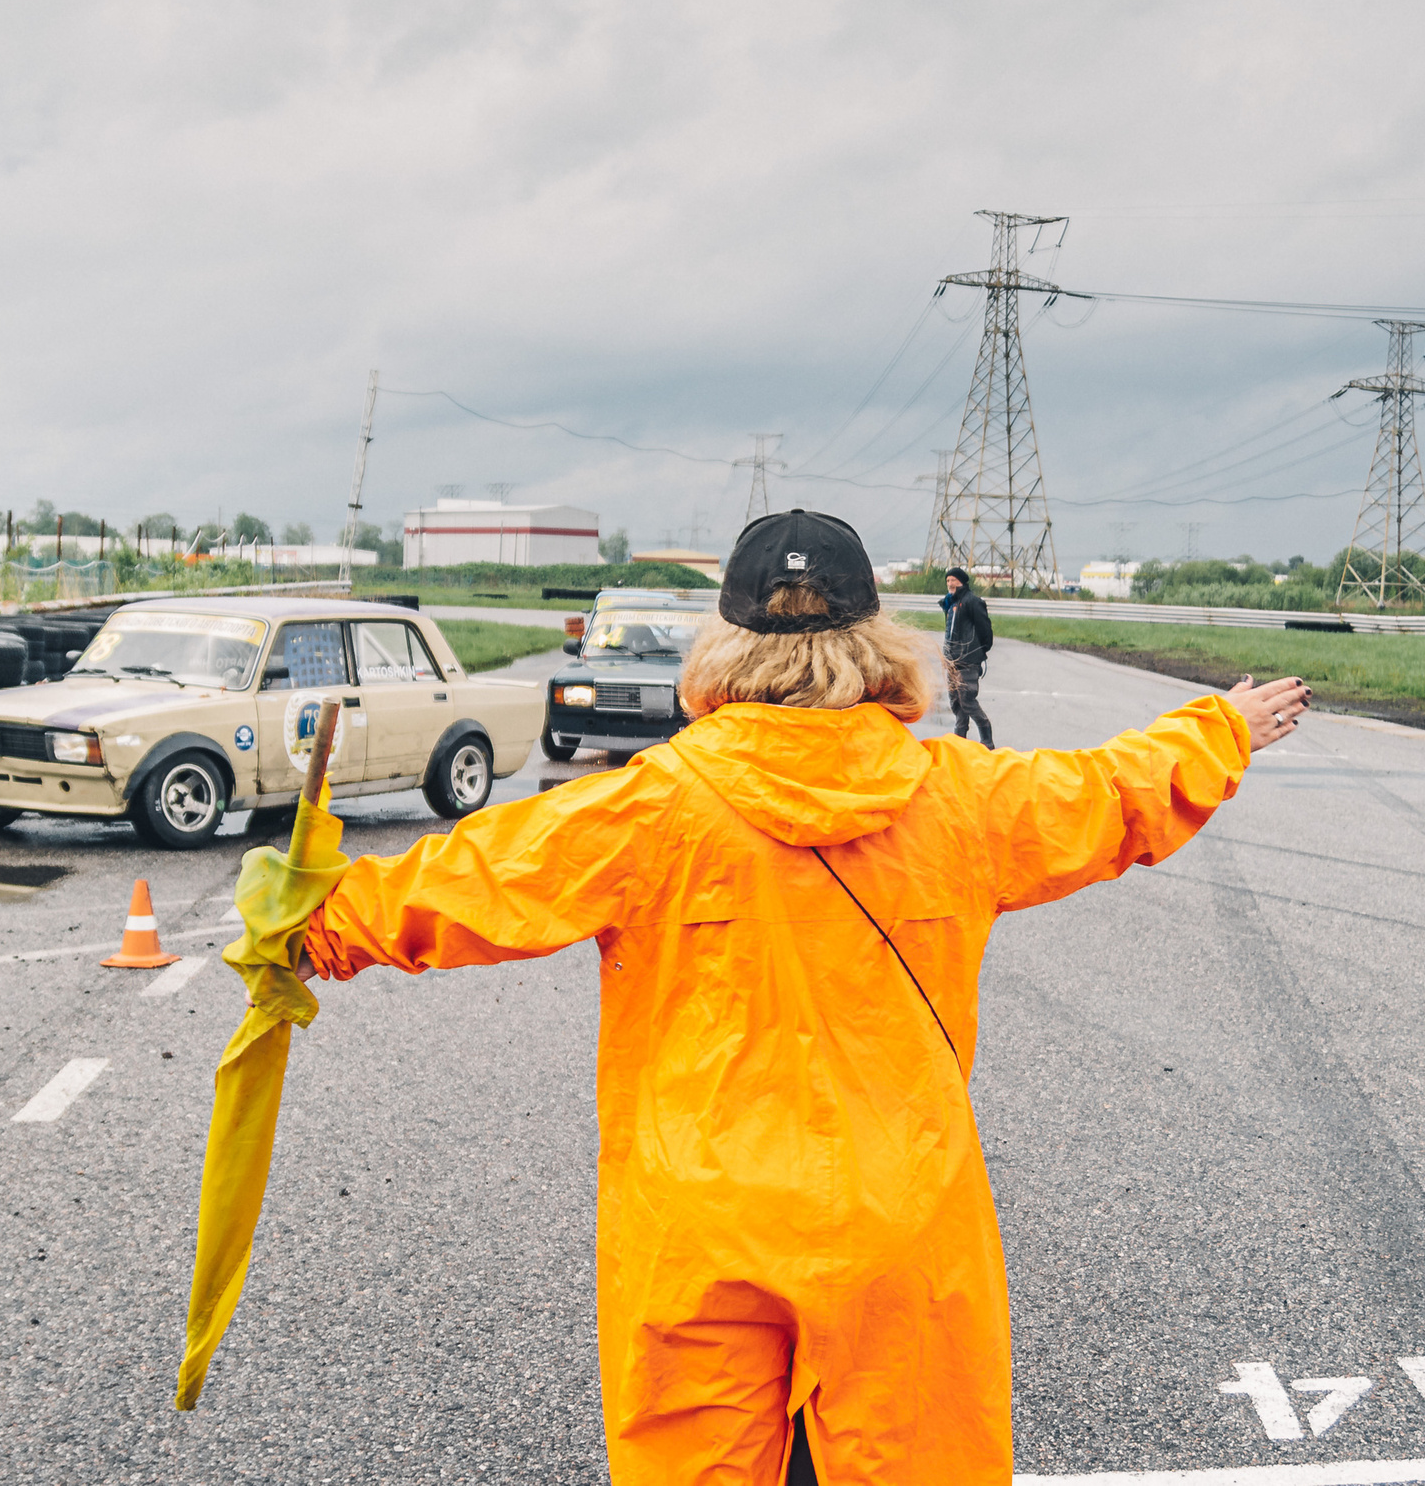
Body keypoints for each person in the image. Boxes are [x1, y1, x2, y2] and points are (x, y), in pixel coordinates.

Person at [283, 508, 1309, 1484]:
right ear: (877, 643)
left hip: (699, 1225)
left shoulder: (647, 809)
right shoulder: (962, 800)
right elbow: (1109, 792)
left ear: (723, 649)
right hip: (902, 1223)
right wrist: (1218, 727)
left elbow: (461, 883)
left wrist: (304, 929)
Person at [941, 565, 996, 746]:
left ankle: (987, 741)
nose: (950, 583)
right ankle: (959, 742)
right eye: (948, 580)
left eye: (953, 580)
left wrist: (979, 651)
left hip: (967, 661)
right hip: (952, 661)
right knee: (956, 702)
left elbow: (985, 630)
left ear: (961, 582)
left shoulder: (972, 601)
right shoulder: (951, 604)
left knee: (967, 700)